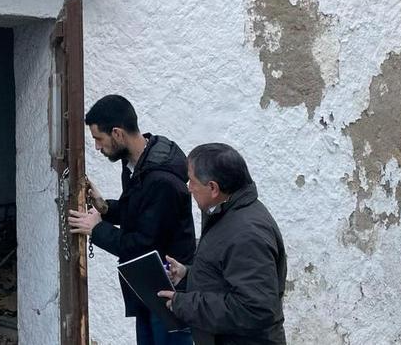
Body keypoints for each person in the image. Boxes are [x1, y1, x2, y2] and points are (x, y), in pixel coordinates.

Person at [67, 95, 197, 345]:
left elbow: (143, 244)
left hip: (169, 293)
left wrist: (97, 230)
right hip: (148, 287)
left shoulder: (161, 180)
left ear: (117, 133)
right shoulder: (137, 163)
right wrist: (104, 208)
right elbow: (139, 211)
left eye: (98, 139)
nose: (96, 147)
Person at [157, 143, 287, 345]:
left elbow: (256, 308)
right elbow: (226, 277)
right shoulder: (225, 214)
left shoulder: (247, 233)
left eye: (192, 181)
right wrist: (187, 276)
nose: (188, 188)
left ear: (213, 188)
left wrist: (185, 304)